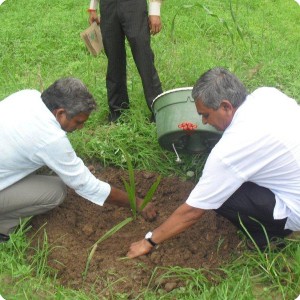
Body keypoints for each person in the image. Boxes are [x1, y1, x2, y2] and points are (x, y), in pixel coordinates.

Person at [127, 67, 300, 258]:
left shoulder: (231, 149)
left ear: (226, 106)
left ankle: (270, 238)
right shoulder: (267, 95)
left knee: (222, 195)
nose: (204, 121)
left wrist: (148, 241)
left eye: (206, 114)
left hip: (295, 208)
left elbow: (192, 211)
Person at [0, 78, 156, 242]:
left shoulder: (28, 96)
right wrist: (137, 203)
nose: (80, 127)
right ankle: (3, 227)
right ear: (60, 113)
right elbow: (87, 186)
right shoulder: (50, 139)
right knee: (56, 190)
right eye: (78, 122)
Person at [87, 0, 163, 122]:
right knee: (113, 59)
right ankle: (118, 111)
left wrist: (155, 10)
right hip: (108, 6)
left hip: (134, 6)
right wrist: (93, 7)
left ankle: (159, 111)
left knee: (144, 58)